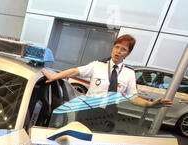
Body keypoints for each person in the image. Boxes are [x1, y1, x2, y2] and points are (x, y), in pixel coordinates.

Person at [42, 34, 173, 108]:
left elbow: (132, 98)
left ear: (128, 53)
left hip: (110, 114)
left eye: (123, 49)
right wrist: (54, 77)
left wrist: (151, 104)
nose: (118, 52)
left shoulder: (129, 73)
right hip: (88, 109)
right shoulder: (97, 65)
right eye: (117, 47)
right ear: (112, 47)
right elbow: (74, 72)